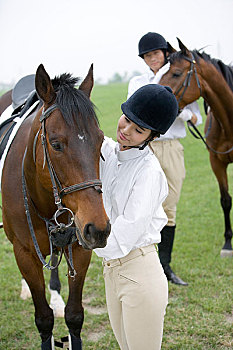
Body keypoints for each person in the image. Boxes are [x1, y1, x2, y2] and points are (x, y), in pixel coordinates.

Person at [94, 84, 178, 350]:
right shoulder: (107, 151)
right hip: (111, 271)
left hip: (139, 272)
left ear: (151, 136)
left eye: (138, 130)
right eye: (127, 120)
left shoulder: (149, 173)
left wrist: (79, 238)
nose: (126, 131)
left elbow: (124, 234)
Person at [127, 32, 203, 286]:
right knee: (141, 205)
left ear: (165, 54)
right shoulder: (138, 82)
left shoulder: (179, 78)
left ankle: (165, 267)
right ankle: (140, 264)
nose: (152, 59)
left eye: (155, 54)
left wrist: (180, 112)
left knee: (169, 207)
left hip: (171, 148)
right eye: (147, 56)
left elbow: (197, 117)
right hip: (146, 148)